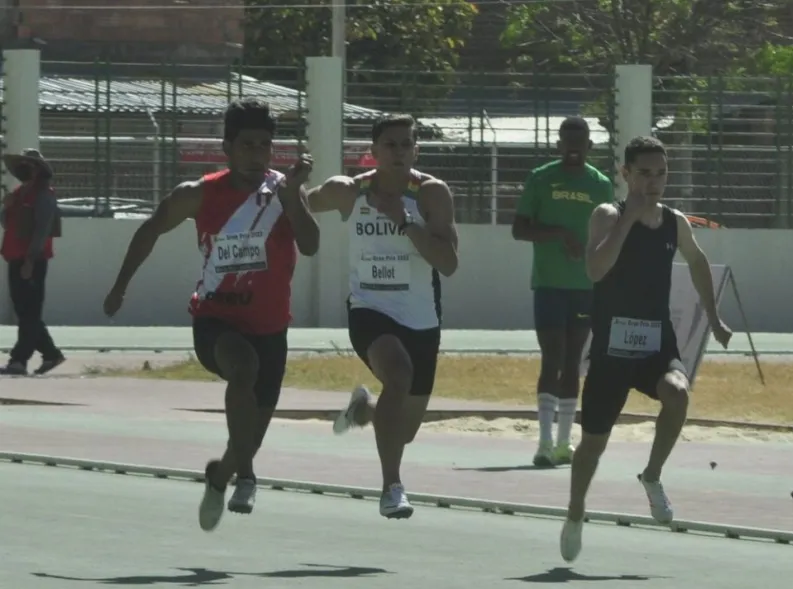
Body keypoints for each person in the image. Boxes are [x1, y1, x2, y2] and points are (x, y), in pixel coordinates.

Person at [102, 98, 319, 532]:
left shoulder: (283, 191)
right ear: (227, 147)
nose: (256, 154)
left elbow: (311, 244)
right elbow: (149, 230)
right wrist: (120, 285)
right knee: (244, 369)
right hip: (216, 321)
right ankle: (250, 477)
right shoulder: (199, 193)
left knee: (247, 440)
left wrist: (293, 196)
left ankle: (222, 477)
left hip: (271, 327)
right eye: (246, 145)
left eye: (264, 145)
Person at [559, 136, 733, 562]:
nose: (653, 182)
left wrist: (713, 317)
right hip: (612, 349)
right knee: (592, 446)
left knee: (678, 392)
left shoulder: (675, 222)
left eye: (660, 173)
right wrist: (627, 221)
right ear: (625, 174)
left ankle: (652, 476)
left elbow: (696, 262)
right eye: (644, 173)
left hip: (656, 342)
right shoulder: (606, 215)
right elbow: (596, 270)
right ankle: (576, 511)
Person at [306, 113, 458, 520]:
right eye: (390, 145)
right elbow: (301, 204)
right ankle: (392, 487)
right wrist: (285, 191)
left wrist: (405, 221)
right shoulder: (349, 192)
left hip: (422, 318)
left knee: (402, 432)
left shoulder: (431, 195)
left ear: (416, 150)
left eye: (406, 144)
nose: (399, 152)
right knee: (399, 374)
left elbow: (448, 264)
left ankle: (363, 411)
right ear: (372, 152)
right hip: (370, 311)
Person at [511, 116, 614, 467]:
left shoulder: (600, 185)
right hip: (549, 284)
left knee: (573, 362)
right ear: (558, 144)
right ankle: (542, 443)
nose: (573, 148)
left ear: (589, 146)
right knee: (551, 357)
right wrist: (559, 234)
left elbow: (611, 236)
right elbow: (519, 229)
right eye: (566, 141)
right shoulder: (541, 179)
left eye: (580, 142)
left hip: (585, 287)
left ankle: (564, 443)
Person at [0, 149, 66, 376]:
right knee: (26, 311)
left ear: (38, 169)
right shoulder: (20, 193)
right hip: (15, 256)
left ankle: (19, 360)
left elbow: (42, 230)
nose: (23, 167)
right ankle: (50, 354)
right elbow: (8, 224)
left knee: (29, 312)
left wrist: (30, 260)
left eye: (28, 164)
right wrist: (5, 207)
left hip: (31, 260)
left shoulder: (43, 195)